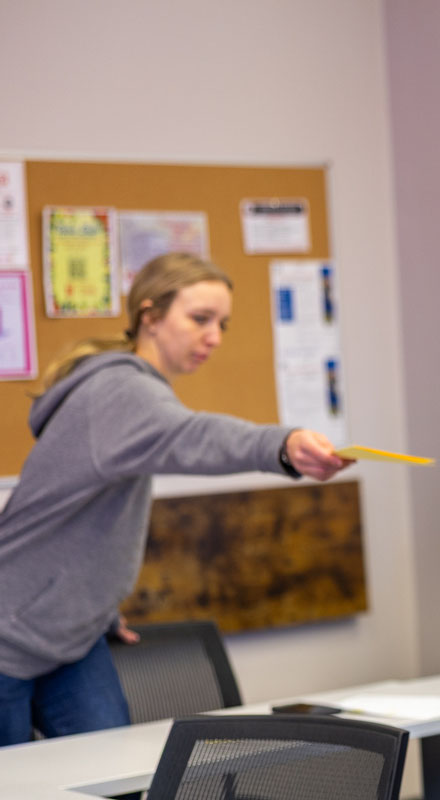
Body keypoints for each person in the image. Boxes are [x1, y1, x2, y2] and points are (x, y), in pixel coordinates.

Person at [0, 252, 350, 746]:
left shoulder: (127, 391)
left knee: (114, 778)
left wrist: (91, 604)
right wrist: (283, 444)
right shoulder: (119, 390)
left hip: (71, 638)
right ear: (150, 316)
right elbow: (196, 436)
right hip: (7, 636)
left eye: (222, 324)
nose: (214, 337)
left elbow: (86, 523)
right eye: (199, 318)